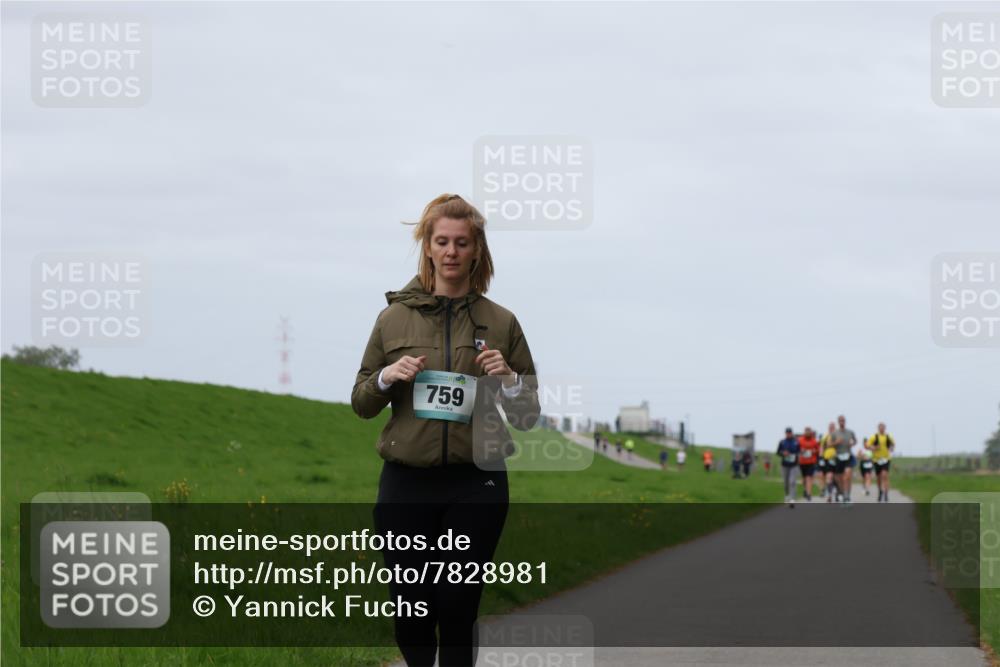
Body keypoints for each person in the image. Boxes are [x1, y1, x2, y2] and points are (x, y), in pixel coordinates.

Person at [351, 193, 541, 666]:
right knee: (412, 609)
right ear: (428, 247)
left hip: (477, 480)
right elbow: (361, 402)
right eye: (442, 241)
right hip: (406, 482)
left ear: (477, 249)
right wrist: (385, 377)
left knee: (457, 605)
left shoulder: (502, 322)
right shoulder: (393, 318)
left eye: (462, 242)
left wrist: (510, 381)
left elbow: (528, 414)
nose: (452, 251)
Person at [865, 422, 896, 502]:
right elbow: (867, 445)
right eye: (880, 427)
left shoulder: (888, 437)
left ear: (885, 428)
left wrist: (891, 448)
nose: (882, 429)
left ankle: (886, 494)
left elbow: (893, 444)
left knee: (885, 475)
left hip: (886, 459)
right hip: (876, 460)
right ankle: (880, 491)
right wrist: (874, 447)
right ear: (878, 428)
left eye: (883, 427)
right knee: (878, 478)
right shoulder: (874, 437)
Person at [831, 414, 857, 505]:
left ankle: (846, 495)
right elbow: (829, 445)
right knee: (839, 478)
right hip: (838, 457)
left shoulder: (850, 432)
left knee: (847, 476)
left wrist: (852, 443)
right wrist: (836, 442)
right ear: (838, 422)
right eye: (840, 420)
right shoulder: (834, 433)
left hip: (848, 457)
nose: (842, 422)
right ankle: (842, 492)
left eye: (843, 420)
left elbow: (855, 441)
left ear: (845, 421)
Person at [776, 427, 800, 508]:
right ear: (785, 433)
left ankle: (792, 499)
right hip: (785, 465)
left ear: (792, 433)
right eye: (787, 433)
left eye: (790, 433)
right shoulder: (782, 442)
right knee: (786, 483)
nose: (788, 434)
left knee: (792, 482)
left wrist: (795, 454)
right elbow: (778, 452)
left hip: (794, 465)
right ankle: (787, 495)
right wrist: (783, 453)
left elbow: (799, 451)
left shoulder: (796, 442)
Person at [797, 427, 820, 501]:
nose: (808, 433)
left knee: (809, 477)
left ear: (811, 433)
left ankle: (809, 494)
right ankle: (805, 489)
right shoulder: (800, 440)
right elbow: (796, 449)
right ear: (804, 432)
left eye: (809, 432)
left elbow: (818, 450)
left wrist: (814, 451)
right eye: (806, 432)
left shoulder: (814, 441)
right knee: (804, 479)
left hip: (811, 462)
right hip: (802, 462)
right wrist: (801, 450)